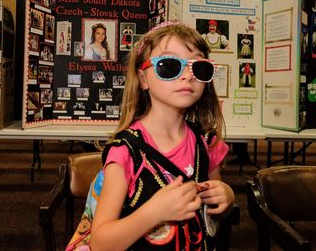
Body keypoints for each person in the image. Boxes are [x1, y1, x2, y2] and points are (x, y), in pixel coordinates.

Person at [91, 21, 235, 250]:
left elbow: (211, 212)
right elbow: (100, 243)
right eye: (169, 65)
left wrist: (226, 196)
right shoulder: (125, 151)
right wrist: (154, 212)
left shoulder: (208, 143)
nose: (188, 76)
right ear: (143, 79)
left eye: (198, 67)